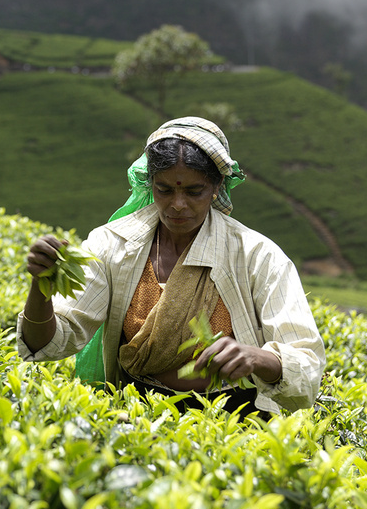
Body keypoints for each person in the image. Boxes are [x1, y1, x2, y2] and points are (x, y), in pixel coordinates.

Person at [17, 116, 325, 417]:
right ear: (150, 182)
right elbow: (50, 343)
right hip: (140, 413)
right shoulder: (113, 245)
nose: (178, 204)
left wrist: (260, 358)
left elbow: (308, 367)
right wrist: (41, 286)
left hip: (235, 418)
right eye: (165, 190)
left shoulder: (257, 256)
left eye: (194, 192)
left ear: (216, 185)